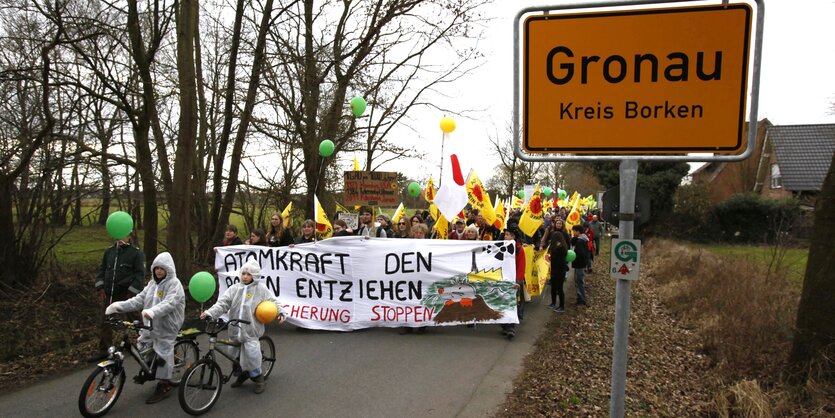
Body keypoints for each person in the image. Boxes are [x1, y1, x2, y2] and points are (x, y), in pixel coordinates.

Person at [104, 252, 185, 404]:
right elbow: (138, 300)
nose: (159, 271)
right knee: (143, 347)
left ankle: (165, 384)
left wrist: (153, 311)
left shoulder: (175, 285)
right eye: (156, 268)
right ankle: (152, 370)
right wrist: (118, 306)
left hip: (167, 326)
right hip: (150, 324)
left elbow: (169, 303)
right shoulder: (152, 284)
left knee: (162, 352)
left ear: (169, 269)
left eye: (162, 268)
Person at [201, 260, 286, 394]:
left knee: (252, 355)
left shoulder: (261, 290)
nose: (245, 276)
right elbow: (222, 303)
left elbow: (273, 301)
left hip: (251, 330)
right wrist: (209, 313)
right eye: (243, 273)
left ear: (255, 276)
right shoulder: (234, 289)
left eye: (249, 274)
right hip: (235, 330)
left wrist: (280, 312)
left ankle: (258, 378)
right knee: (235, 354)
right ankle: (243, 373)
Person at [90, 231, 145, 362]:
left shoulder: (136, 253)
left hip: (126, 293)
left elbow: (140, 274)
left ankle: (148, 343)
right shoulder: (109, 252)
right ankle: (104, 348)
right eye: (119, 235)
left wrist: (132, 291)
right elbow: (102, 270)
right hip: (110, 293)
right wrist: (100, 286)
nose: (121, 238)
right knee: (106, 321)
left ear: (129, 236)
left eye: (124, 235)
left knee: (136, 319)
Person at [500, 228, 526, 339]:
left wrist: (518, 281)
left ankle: (511, 327)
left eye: (508, 235)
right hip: (503, 279)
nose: (505, 237)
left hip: (514, 281)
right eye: (505, 235)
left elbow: (521, 267)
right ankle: (504, 325)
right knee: (502, 302)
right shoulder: (501, 248)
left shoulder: (519, 250)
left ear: (513, 237)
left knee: (511, 302)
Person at [541, 225, 569, 313]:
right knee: (553, 287)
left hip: (559, 271)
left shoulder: (561, 248)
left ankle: (561, 306)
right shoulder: (555, 246)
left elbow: (559, 260)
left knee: (559, 288)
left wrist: (552, 257)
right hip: (554, 270)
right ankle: (553, 303)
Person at [570, 225, 591, 306]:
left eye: (574, 231)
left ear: (578, 231)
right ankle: (580, 298)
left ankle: (581, 299)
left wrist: (574, 256)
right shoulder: (582, 239)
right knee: (578, 281)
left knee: (579, 281)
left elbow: (581, 254)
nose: (573, 233)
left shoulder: (581, 242)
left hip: (580, 265)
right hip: (580, 264)